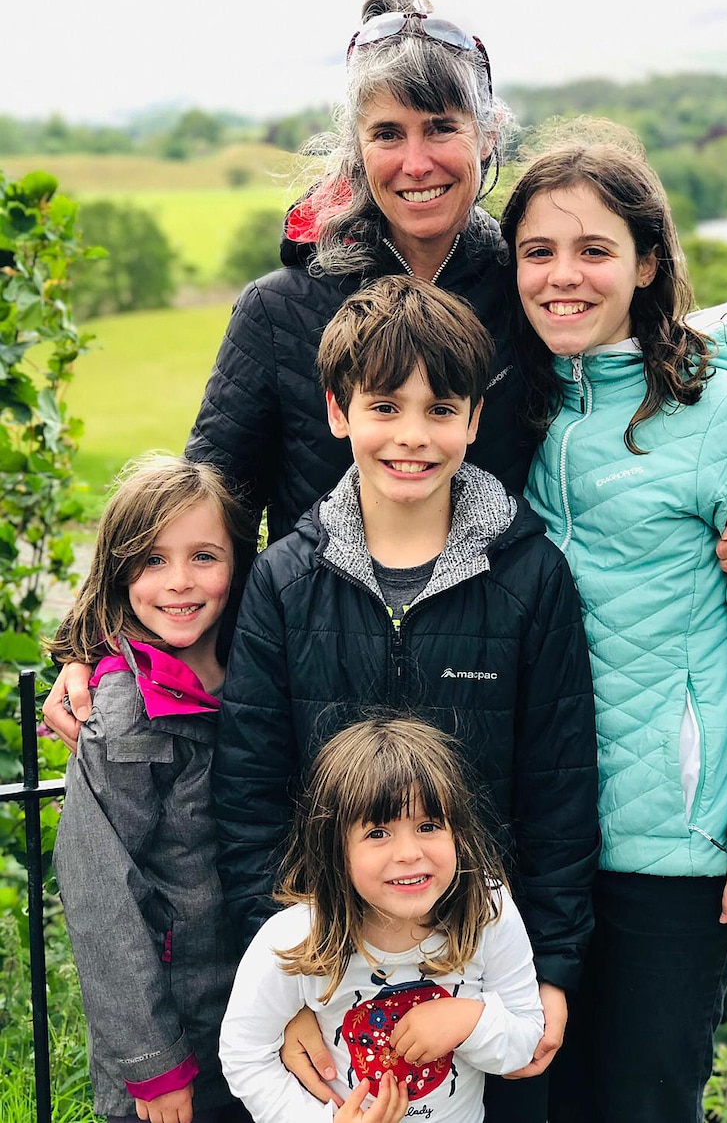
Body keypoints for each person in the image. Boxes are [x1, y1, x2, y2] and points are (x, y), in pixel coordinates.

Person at [41, 0, 727, 752]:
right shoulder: (281, 311)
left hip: (495, 701)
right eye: (387, 134)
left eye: (440, 127)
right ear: (357, 151)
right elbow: (198, 505)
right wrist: (94, 638)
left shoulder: (531, 287)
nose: (416, 161)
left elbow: (648, 394)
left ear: (488, 138)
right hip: (319, 704)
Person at [495, 119, 727, 1123]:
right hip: (530, 837)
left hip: (673, 845)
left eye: (594, 250)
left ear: (647, 263)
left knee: (641, 1100)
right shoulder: (506, 403)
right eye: (539, 252)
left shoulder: (723, 415)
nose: (564, 275)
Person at [212, 273, 600, 1120]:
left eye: (440, 409)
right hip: (327, 974)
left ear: (473, 418)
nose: (413, 436)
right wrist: (281, 980)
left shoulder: (531, 577)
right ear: (338, 411)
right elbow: (247, 796)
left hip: (484, 973)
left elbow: (562, 787)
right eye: (385, 407)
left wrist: (555, 971)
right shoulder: (283, 581)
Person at [50, 454, 257, 1123]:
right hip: (173, 1056)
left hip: (257, 1032)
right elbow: (100, 897)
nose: (180, 583)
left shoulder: (257, 682)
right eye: (152, 560)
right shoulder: (120, 715)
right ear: (119, 572)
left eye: (204, 556)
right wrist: (154, 1062)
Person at [218, 716, 546, 1123]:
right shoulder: (293, 938)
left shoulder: (487, 910)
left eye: (428, 826)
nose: (409, 852)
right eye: (378, 833)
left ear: (458, 834)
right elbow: (244, 1055)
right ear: (335, 848)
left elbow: (526, 1037)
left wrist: (469, 1020)